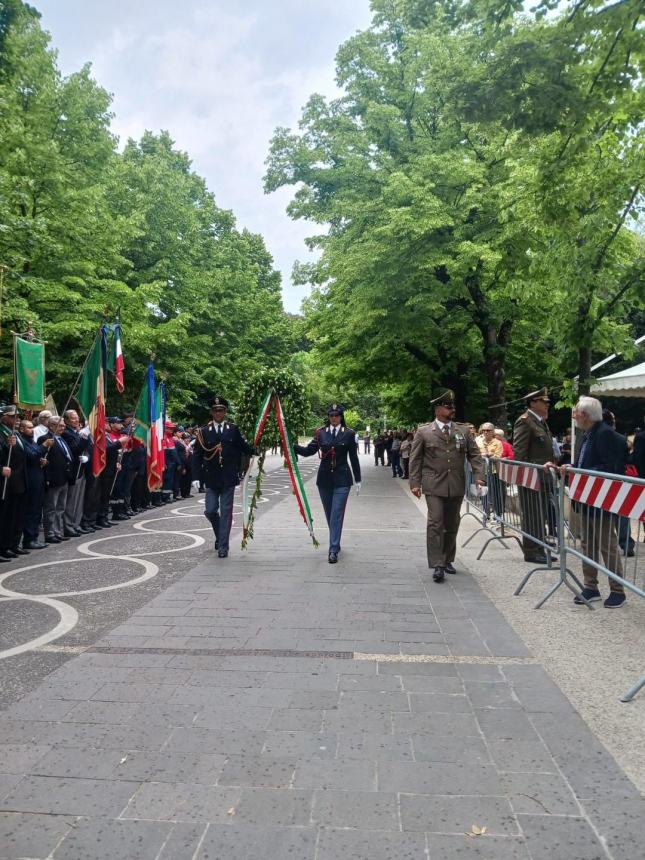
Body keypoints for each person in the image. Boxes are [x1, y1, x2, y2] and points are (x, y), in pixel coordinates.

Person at [409, 390, 485, 583]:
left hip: (456, 484)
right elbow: (415, 458)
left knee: (452, 524)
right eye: (447, 406)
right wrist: (415, 482)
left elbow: (474, 455)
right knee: (435, 522)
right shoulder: (424, 431)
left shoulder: (463, 431)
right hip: (433, 484)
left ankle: (447, 558)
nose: (451, 409)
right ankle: (437, 564)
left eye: (452, 406)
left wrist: (479, 476)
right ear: (437, 409)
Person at [568, 397, 627, 609]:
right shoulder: (588, 434)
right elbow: (584, 462)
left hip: (600, 499)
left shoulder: (604, 434)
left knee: (606, 545)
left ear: (584, 414)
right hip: (587, 498)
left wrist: (580, 472)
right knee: (588, 544)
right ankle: (591, 586)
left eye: (576, 412)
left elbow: (610, 468)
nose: (574, 415)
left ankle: (617, 589)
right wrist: (570, 467)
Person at [295, 403, 361, 564]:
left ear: (341, 417)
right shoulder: (320, 433)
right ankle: (336, 542)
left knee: (336, 514)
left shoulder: (349, 434)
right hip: (324, 479)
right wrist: (292, 446)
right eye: (331, 415)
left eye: (336, 415)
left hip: (342, 480)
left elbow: (353, 458)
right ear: (328, 417)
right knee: (330, 514)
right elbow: (309, 451)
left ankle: (332, 550)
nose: (333, 418)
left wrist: (358, 479)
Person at [191, 395, 255, 558]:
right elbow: (197, 455)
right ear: (212, 413)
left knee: (226, 512)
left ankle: (223, 546)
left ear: (225, 412)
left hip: (228, 477)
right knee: (211, 510)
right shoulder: (203, 431)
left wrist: (256, 449)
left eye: (221, 410)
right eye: (215, 411)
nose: (218, 413)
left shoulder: (232, 429)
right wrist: (195, 476)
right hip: (211, 478)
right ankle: (220, 536)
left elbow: (242, 446)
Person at [512, 387, 555, 564]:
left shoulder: (540, 422)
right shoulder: (525, 421)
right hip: (531, 477)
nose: (547, 405)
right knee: (532, 514)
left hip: (542, 477)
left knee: (541, 513)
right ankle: (531, 550)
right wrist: (537, 467)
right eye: (544, 402)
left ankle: (539, 546)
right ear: (533, 403)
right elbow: (519, 455)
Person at [0, 404, 31, 559]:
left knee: (17, 515)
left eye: (17, 417)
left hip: (19, 480)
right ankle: (2, 547)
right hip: (6, 482)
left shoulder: (16, 434)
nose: (16, 419)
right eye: (12, 416)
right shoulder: (2, 433)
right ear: (3, 417)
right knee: (5, 517)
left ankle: (12, 544)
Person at [41, 415, 73, 543]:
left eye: (64, 425)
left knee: (60, 508)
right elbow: (44, 460)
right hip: (54, 479)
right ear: (52, 426)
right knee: (51, 508)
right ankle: (50, 533)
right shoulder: (45, 439)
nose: (63, 428)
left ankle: (58, 532)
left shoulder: (61, 438)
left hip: (64, 478)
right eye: (60, 425)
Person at [19, 418, 48, 549]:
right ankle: (29, 539)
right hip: (30, 479)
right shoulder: (22, 441)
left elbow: (36, 456)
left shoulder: (32, 440)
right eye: (28, 428)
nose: (31, 430)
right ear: (22, 429)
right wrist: (44, 446)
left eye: (32, 427)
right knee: (31, 510)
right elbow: (30, 455)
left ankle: (34, 537)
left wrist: (41, 460)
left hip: (38, 477)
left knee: (37, 510)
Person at [62, 409, 91, 536]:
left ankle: (76, 524)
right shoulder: (67, 433)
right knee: (71, 501)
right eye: (73, 418)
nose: (77, 420)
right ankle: (69, 526)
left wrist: (88, 457)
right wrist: (84, 438)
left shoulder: (76, 432)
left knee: (79, 501)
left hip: (82, 468)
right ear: (67, 420)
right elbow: (76, 449)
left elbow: (87, 448)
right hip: (74, 470)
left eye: (77, 417)